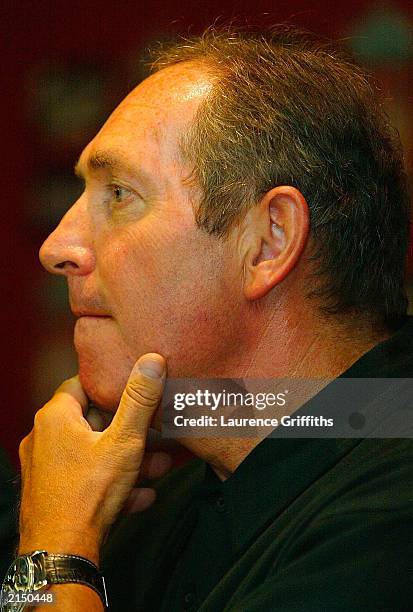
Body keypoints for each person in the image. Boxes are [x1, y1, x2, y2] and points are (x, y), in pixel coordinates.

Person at [5, 26, 412, 611]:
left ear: (268, 242)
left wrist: (54, 548)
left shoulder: (391, 520)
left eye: (119, 195)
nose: (56, 246)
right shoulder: (152, 503)